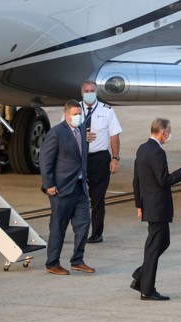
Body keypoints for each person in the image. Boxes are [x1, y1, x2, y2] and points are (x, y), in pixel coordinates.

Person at [131, 118, 181, 301]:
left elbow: (136, 179)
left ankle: (141, 276)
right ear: (163, 133)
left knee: (162, 242)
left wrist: (139, 204)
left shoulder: (142, 148)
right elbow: (164, 180)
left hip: (150, 206)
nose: (169, 135)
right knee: (155, 246)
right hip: (158, 207)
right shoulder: (157, 152)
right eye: (168, 132)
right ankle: (147, 289)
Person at [39, 100, 95, 275]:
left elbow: (82, 159)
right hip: (61, 189)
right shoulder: (56, 133)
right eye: (75, 114)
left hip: (80, 188)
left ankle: (77, 260)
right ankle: (52, 263)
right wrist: (49, 185)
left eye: (80, 114)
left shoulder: (81, 131)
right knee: (58, 227)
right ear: (66, 115)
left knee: (84, 224)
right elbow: (45, 160)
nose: (78, 117)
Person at [79, 80, 122, 244]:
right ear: (81, 93)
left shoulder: (107, 110)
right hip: (79, 157)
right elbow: (65, 131)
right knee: (75, 196)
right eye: (86, 91)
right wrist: (81, 135)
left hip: (99, 158)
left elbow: (114, 135)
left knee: (97, 198)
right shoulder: (74, 109)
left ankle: (96, 233)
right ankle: (76, 230)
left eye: (92, 90)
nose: (89, 93)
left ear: (96, 92)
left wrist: (115, 158)